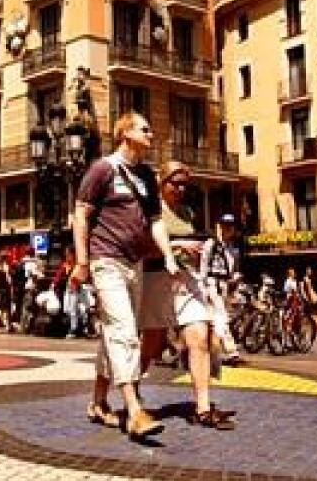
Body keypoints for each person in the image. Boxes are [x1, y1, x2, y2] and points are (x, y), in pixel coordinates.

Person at [71, 111, 175, 441]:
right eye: (145, 129)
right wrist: (83, 261)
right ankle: (134, 410)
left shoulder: (145, 174)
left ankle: (99, 403)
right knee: (124, 331)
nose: (151, 134)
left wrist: (169, 255)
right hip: (106, 261)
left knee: (113, 336)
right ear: (125, 134)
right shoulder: (103, 169)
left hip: (136, 264)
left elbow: (155, 220)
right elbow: (80, 215)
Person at [146, 161, 234, 430]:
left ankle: (203, 408)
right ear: (161, 182)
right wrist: (175, 245)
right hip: (156, 280)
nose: (181, 189)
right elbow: (142, 249)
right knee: (151, 346)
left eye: (185, 184)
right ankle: (131, 397)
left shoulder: (187, 212)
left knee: (199, 336)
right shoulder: (151, 209)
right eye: (175, 183)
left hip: (186, 280)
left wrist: (197, 251)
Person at [201, 213, 244, 366]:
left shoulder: (233, 249)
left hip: (225, 286)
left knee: (213, 319)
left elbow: (234, 270)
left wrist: (235, 280)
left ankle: (187, 348)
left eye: (230, 226)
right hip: (212, 285)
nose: (228, 229)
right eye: (225, 225)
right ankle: (232, 352)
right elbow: (203, 267)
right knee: (221, 317)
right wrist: (203, 287)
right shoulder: (210, 245)